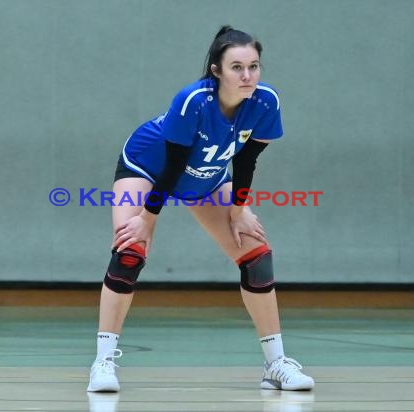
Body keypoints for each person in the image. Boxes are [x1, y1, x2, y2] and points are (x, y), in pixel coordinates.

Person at [87, 25, 315, 393]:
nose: (247, 76)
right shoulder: (193, 101)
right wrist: (146, 219)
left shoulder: (266, 102)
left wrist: (239, 209)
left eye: (254, 66)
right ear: (216, 70)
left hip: (204, 176)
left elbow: (246, 161)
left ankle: (276, 364)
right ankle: (102, 362)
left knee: (257, 256)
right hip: (147, 166)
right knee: (129, 251)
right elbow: (172, 166)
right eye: (237, 67)